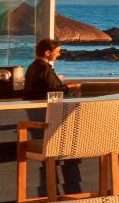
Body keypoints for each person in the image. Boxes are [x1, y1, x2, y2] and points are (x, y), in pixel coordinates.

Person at [22, 39, 83, 193]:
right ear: (47, 52)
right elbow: (53, 92)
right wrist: (69, 88)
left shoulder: (33, 67)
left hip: (40, 117)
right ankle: (72, 190)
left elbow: (44, 89)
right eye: (57, 51)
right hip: (48, 124)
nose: (59, 54)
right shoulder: (44, 69)